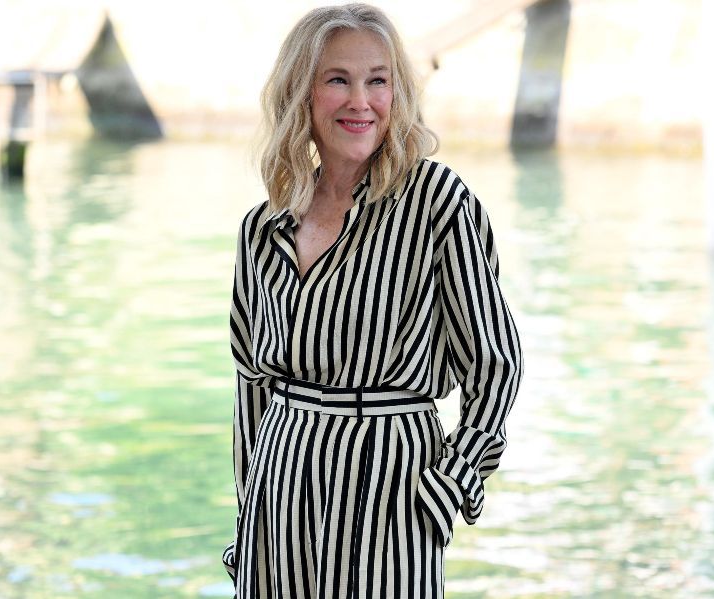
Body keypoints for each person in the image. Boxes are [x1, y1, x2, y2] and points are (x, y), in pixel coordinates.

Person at [220, 4, 524, 598]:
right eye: (338, 79)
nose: (361, 101)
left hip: (390, 497)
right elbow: (251, 391)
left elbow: (495, 363)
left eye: (377, 80)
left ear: (397, 93)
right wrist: (245, 515)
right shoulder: (263, 229)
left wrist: (450, 487)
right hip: (276, 502)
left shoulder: (437, 203)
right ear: (301, 93)